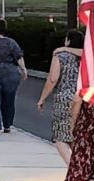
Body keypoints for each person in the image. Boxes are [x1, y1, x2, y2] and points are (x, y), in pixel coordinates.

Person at [36, 29, 85, 165]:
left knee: (61, 138)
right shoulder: (86, 57)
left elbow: (52, 79)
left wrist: (42, 98)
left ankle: (73, 169)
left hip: (64, 99)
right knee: (77, 135)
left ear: (68, 40)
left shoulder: (60, 56)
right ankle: (82, 169)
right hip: (83, 98)